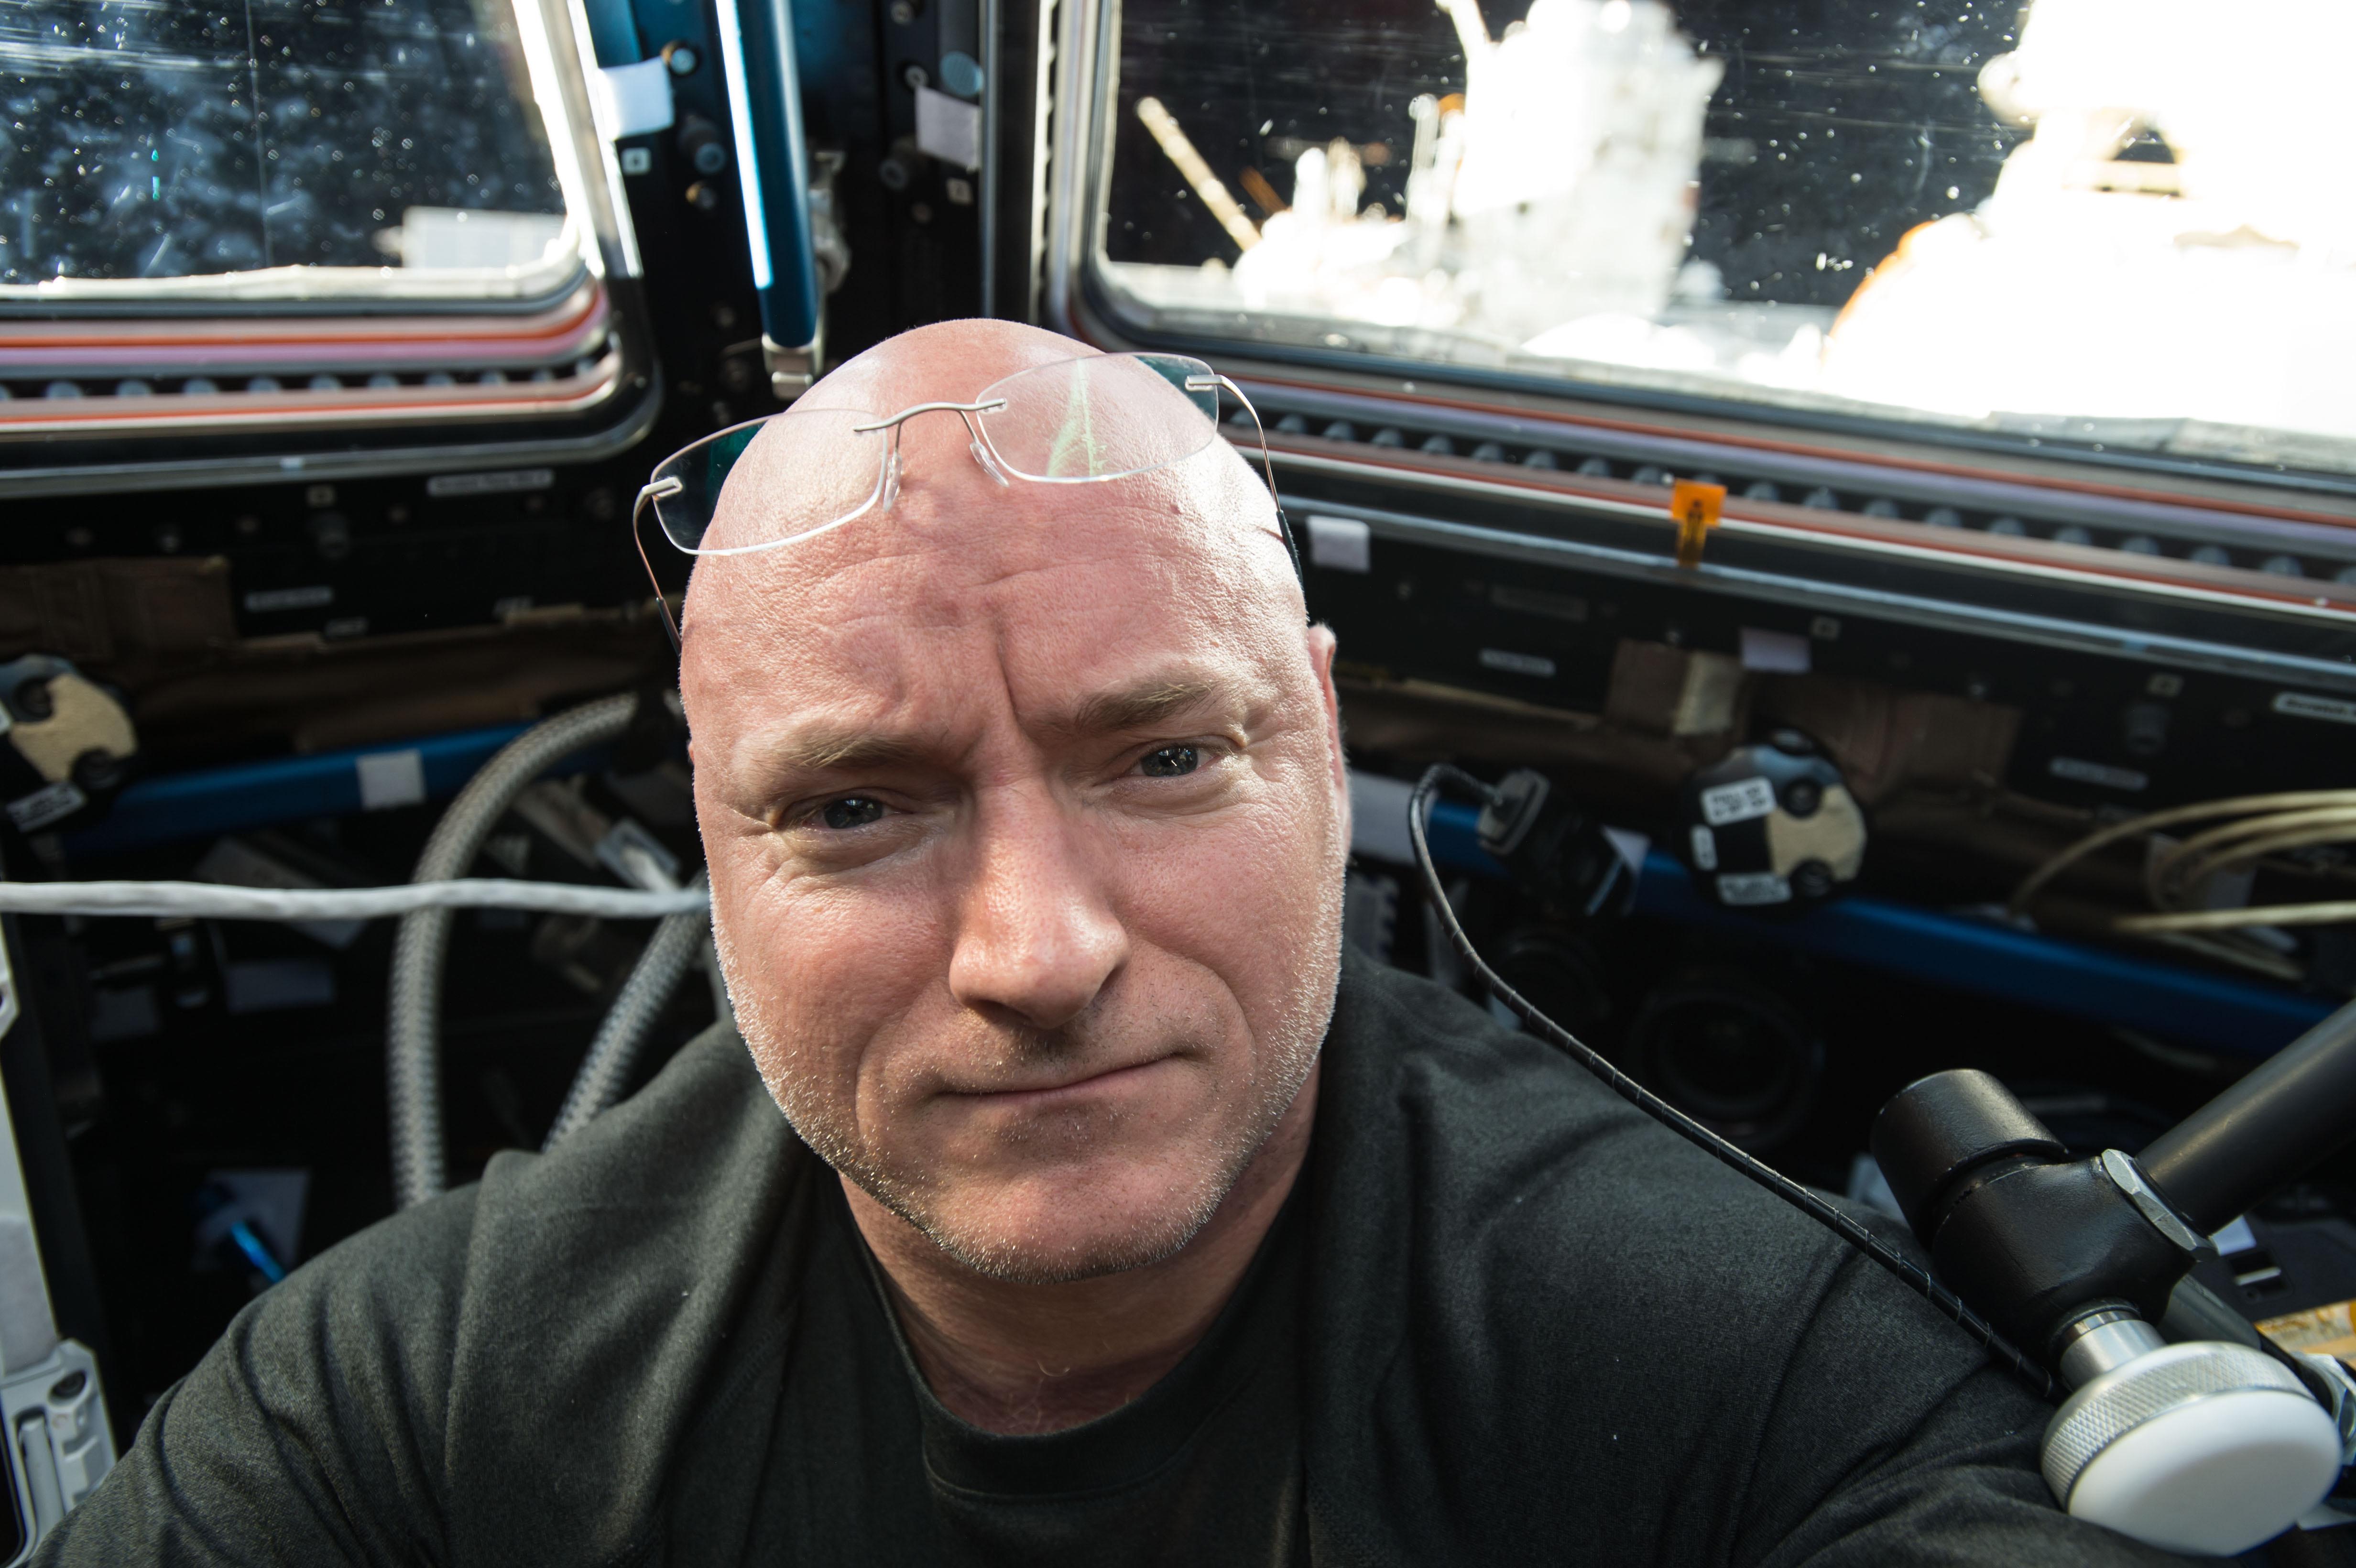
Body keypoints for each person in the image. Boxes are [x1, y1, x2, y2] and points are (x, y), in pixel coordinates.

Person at [39, 320, 2191, 1564]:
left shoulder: (1754, 1382)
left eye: (1160, 759)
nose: (1035, 950)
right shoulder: (410, 1403)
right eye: (856, 804)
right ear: (706, 833)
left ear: (1319, 733)